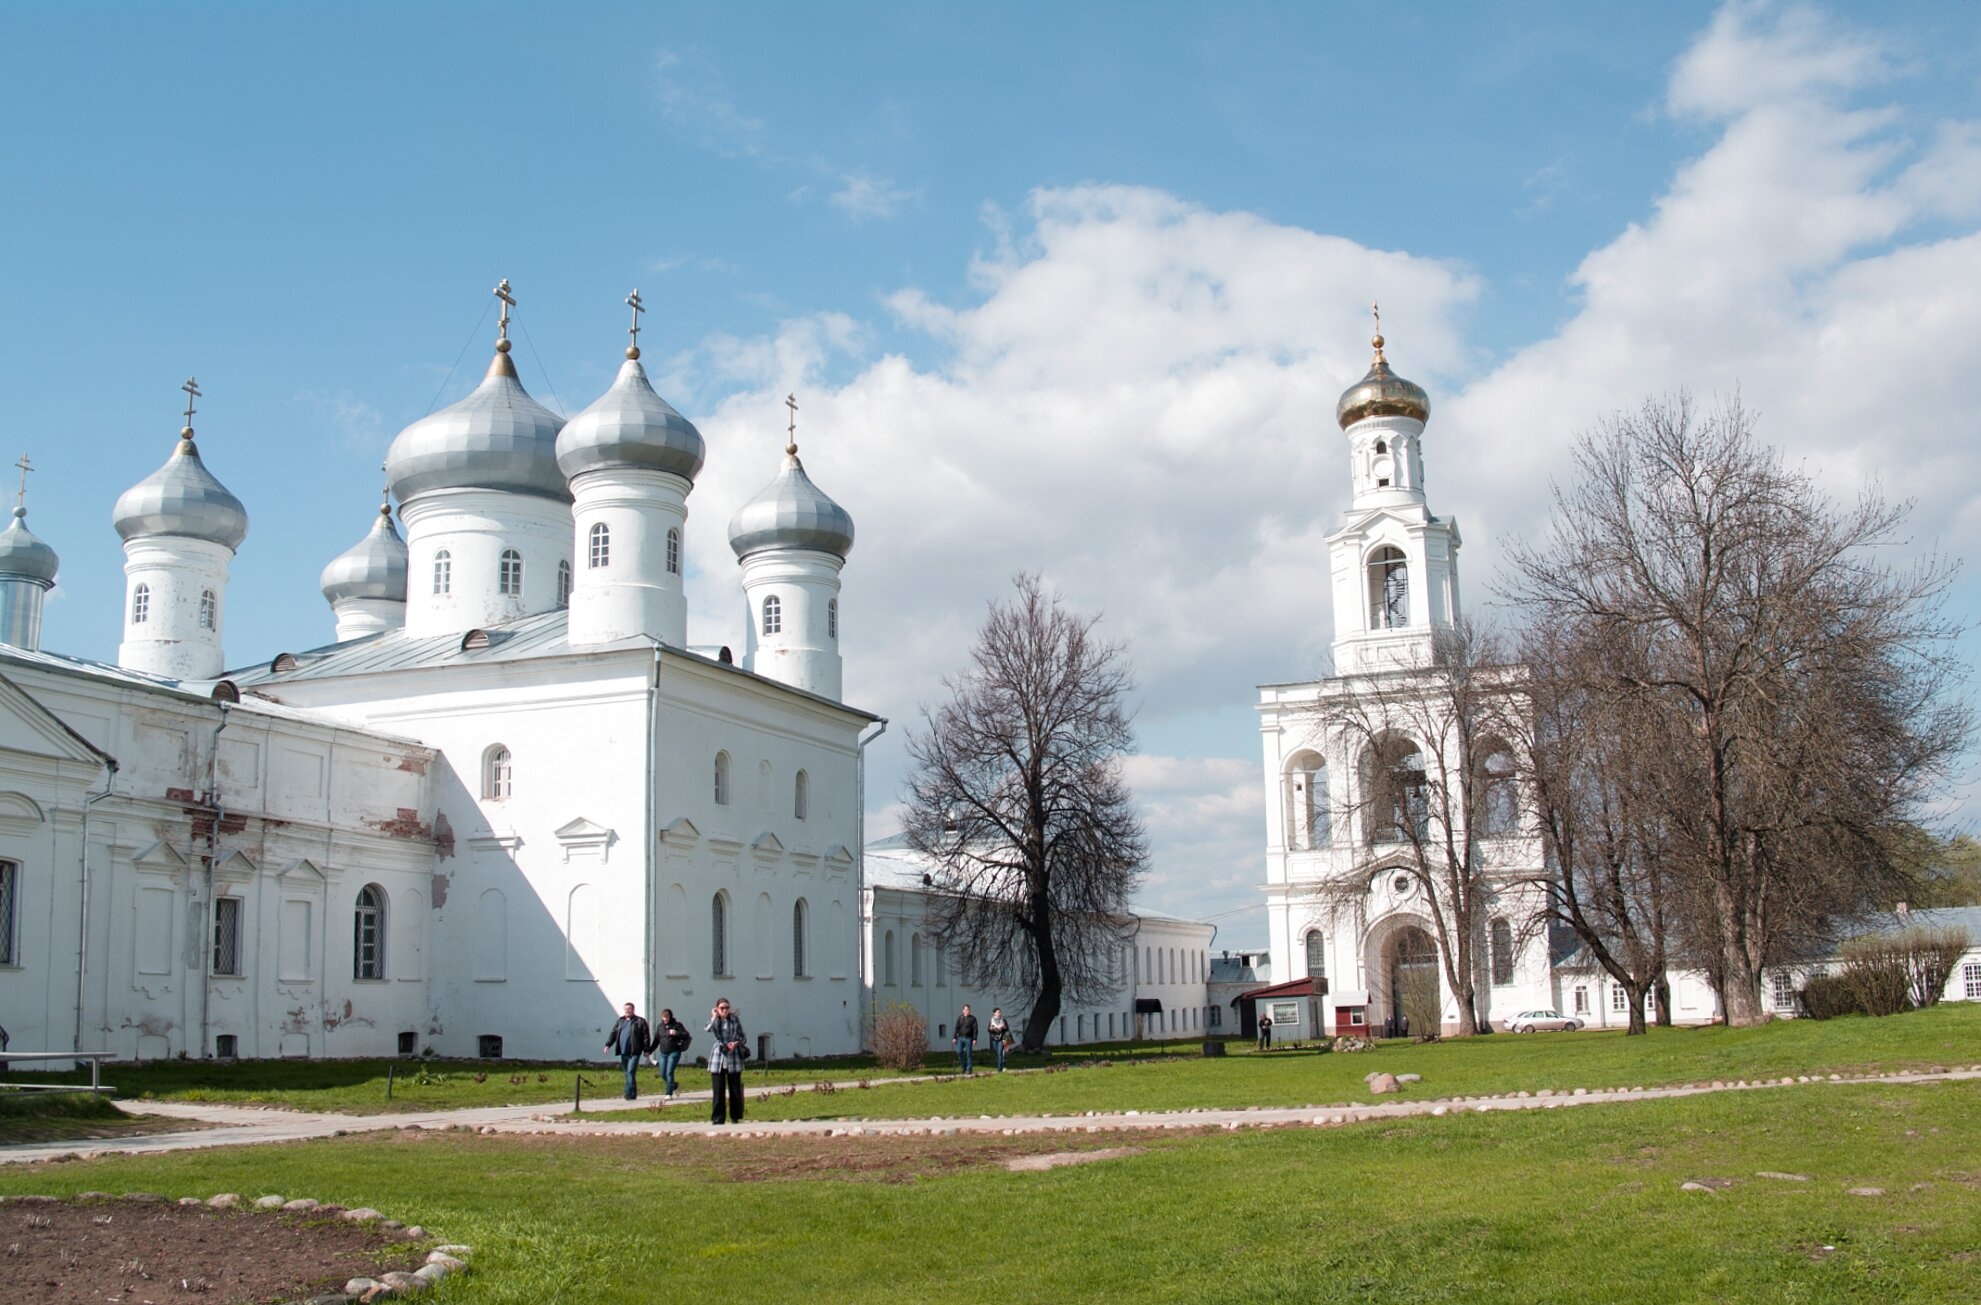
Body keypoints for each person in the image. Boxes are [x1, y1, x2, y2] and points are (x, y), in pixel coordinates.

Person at [706, 998, 748, 1125]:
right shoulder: (715, 1020)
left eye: (727, 1008)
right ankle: (718, 1117)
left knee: (734, 1088)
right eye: (722, 1008)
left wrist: (736, 1043)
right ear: (717, 1009)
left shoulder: (734, 1020)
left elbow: (743, 1037)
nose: (725, 1010)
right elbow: (707, 1028)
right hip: (718, 1056)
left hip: (733, 1056)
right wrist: (714, 1016)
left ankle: (735, 1116)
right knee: (718, 1089)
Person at [604, 1001, 652, 1100]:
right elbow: (613, 1033)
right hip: (623, 1051)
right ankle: (633, 1093)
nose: (627, 1011)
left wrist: (646, 1049)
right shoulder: (620, 1021)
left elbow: (646, 1036)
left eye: (629, 1009)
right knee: (628, 1073)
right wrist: (608, 1045)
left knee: (630, 1071)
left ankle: (628, 1093)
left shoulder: (640, 1021)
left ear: (633, 1010)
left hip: (635, 1051)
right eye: (626, 1009)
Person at [654, 1007, 690, 1097]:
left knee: (669, 1072)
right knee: (663, 1073)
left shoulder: (677, 1025)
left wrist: (676, 1033)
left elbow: (686, 1035)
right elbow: (656, 1040)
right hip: (663, 1053)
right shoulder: (660, 1027)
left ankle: (668, 1094)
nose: (665, 1019)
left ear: (670, 1017)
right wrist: (649, 1050)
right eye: (664, 1017)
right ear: (661, 1017)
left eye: (667, 1017)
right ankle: (674, 1085)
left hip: (674, 1052)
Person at [954, 1003, 979, 1074]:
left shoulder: (973, 1019)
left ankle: (969, 1068)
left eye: (968, 1010)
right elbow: (957, 1028)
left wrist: (975, 1039)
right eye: (966, 1010)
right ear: (963, 1010)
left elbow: (975, 1029)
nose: (967, 1011)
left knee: (969, 1054)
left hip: (969, 1038)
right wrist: (954, 1037)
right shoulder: (960, 1018)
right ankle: (963, 1066)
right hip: (960, 1037)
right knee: (959, 1051)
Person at [987, 1007, 1011, 1072]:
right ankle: (1001, 1065)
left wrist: (1004, 1027)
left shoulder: (1003, 1021)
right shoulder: (991, 1021)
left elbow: (1007, 1030)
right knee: (997, 1053)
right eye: (998, 1012)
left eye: (1000, 1012)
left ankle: (999, 1068)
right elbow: (988, 1030)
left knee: (1000, 1053)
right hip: (994, 1039)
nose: (1000, 1014)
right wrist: (991, 1029)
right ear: (994, 1013)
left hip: (1001, 1039)